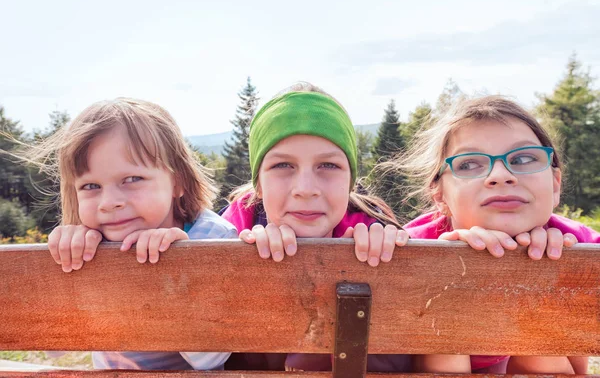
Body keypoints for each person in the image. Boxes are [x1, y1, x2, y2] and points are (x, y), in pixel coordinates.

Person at [221, 82, 467, 373]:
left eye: (328, 166)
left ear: (350, 180)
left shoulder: (375, 233)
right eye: (282, 166)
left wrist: (380, 266)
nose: (305, 189)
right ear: (258, 183)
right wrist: (244, 260)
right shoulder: (230, 231)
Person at [24, 98, 237, 371]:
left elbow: (211, 358)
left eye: (132, 179)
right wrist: (68, 271)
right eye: (90, 185)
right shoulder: (90, 244)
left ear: (178, 182)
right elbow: (54, 349)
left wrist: (173, 269)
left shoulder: (211, 236)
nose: (109, 202)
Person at [396, 95, 598, 374]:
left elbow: (578, 359)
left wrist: (549, 278)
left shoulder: (579, 243)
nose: (500, 175)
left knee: (541, 350)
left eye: (524, 158)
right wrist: (442, 271)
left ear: (555, 185)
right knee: (442, 340)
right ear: (440, 196)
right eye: (468, 164)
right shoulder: (408, 247)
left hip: (532, 359)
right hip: (440, 362)